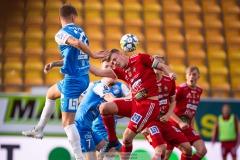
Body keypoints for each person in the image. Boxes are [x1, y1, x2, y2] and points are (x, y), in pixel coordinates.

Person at [22, 3, 106, 160]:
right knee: (51, 93)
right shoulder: (81, 32)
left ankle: (79, 158)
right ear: (73, 17)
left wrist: (94, 55)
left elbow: (76, 44)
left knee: (68, 124)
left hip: (73, 81)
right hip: (80, 77)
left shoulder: (61, 33)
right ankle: (39, 128)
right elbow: (73, 56)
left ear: (59, 18)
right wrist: (54, 63)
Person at [89, 49, 177, 160]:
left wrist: (170, 73)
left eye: (115, 59)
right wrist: (83, 58)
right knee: (104, 108)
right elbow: (97, 72)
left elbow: (161, 66)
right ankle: (112, 140)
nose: (114, 63)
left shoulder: (140, 58)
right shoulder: (121, 71)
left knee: (127, 137)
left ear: (121, 54)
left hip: (149, 104)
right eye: (112, 63)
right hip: (136, 103)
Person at [75, 58, 130, 160]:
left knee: (110, 151)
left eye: (112, 68)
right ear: (102, 72)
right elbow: (112, 100)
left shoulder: (119, 86)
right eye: (106, 68)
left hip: (89, 128)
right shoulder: (99, 86)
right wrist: (133, 96)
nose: (110, 71)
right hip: (81, 127)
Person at [141, 54, 192, 160]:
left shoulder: (169, 81)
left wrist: (168, 115)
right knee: (161, 150)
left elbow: (173, 101)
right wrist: (144, 125)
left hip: (165, 121)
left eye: (160, 64)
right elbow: (138, 104)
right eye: (156, 63)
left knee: (188, 149)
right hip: (151, 122)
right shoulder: (145, 82)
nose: (158, 66)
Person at [165, 66, 207, 160]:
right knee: (167, 153)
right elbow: (168, 109)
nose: (192, 76)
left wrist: (191, 126)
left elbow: (192, 111)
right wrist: (180, 122)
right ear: (186, 76)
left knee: (202, 150)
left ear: (198, 76)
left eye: (194, 74)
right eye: (189, 74)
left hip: (186, 126)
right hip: (173, 125)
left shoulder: (199, 90)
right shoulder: (180, 89)